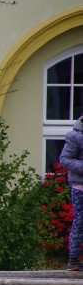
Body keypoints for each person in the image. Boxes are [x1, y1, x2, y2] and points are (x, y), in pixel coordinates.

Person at [60, 116, 83, 271]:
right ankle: (73, 259)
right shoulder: (75, 136)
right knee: (80, 219)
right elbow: (64, 159)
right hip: (79, 185)